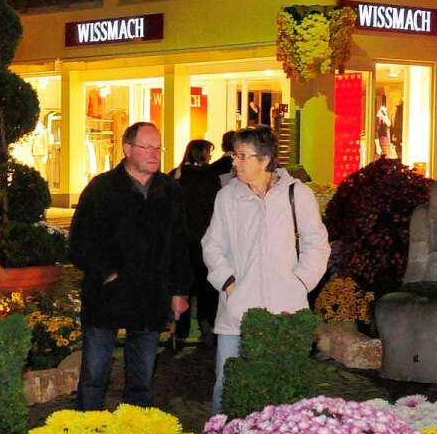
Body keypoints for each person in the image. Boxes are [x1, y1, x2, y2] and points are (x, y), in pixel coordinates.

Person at [202, 125, 331, 413]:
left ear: (264, 160)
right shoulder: (227, 197)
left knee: (283, 388)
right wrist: (229, 284)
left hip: (284, 311)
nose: (234, 162)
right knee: (226, 386)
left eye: (242, 156)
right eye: (234, 155)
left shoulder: (297, 194)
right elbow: (212, 246)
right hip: (237, 312)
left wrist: (299, 282)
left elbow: (316, 243)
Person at [69, 121, 192, 410]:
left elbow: (180, 245)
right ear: (127, 149)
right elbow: (79, 243)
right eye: (146, 147)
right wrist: (106, 273)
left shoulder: (169, 190)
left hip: (150, 298)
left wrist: (179, 291)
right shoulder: (102, 188)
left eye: (158, 147)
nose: (154, 153)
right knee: (94, 376)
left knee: (142, 380)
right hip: (107, 298)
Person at [171, 140, 220, 346]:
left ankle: (180, 330)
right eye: (208, 153)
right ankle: (206, 323)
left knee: (182, 284)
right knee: (206, 286)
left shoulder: (175, 174)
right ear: (201, 154)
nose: (210, 156)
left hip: (181, 240)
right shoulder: (210, 177)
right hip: (205, 238)